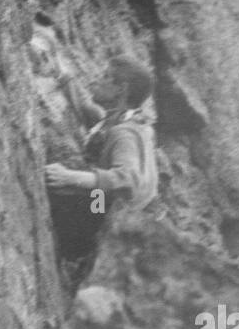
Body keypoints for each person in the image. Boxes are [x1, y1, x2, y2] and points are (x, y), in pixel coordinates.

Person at [43, 51, 158, 286]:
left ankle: (71, 256)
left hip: (105, 221)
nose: (97, 79)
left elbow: (128, 179)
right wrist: (61, 76)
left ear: (121, 89)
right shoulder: (125, 120)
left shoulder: (125, 133)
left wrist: (71, 177)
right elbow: (93, 116)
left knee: (59, 171)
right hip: (114, 216)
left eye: (105, 77)